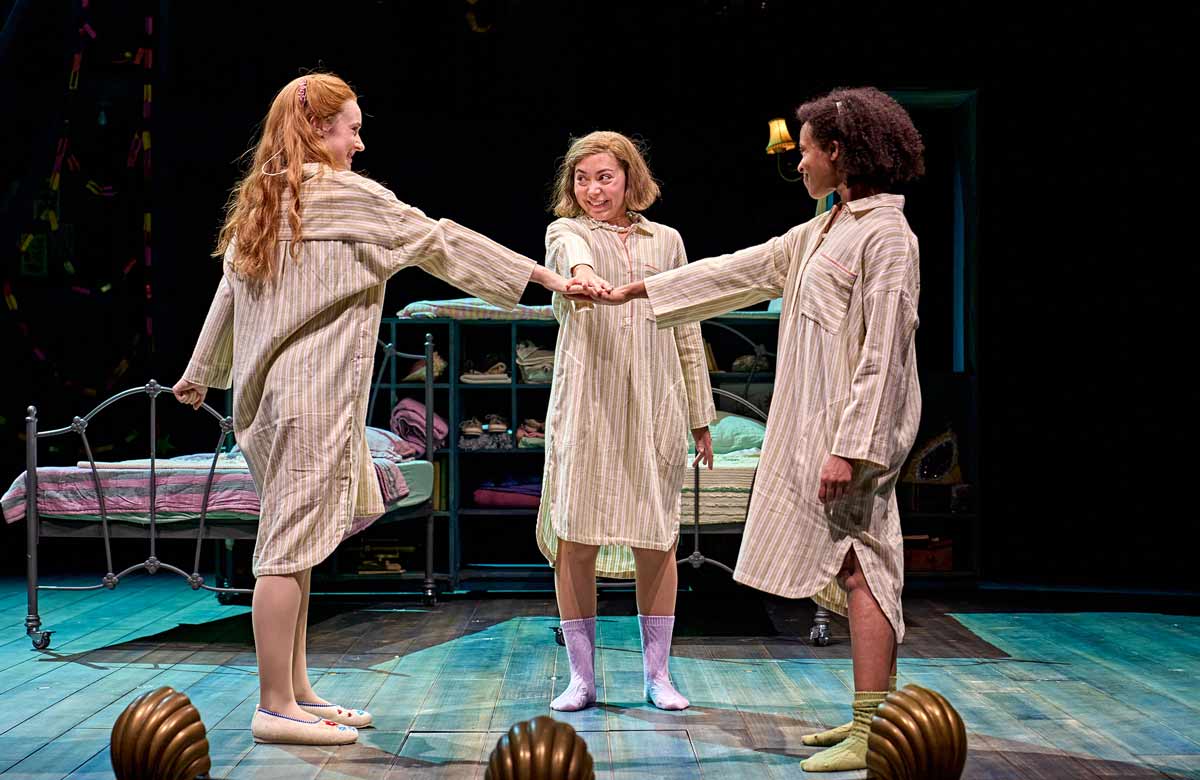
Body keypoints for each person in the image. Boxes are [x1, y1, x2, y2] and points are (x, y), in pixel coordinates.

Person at [171, 72, 579, 745]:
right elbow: (442, 241)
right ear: (318, 129)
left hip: (266, 402)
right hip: (311, 396)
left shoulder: (266, 200)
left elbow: (228, 293)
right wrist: (547, 280)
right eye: (352, 128)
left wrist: (198, 372)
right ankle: (274, 708)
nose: (359, 143)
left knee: (293, 548)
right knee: (283, 552)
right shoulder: (351, 197)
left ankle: (297, 692)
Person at [590, 88, 924, 772]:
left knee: (867, 569)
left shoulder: (887, 235)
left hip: (851, 436)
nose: (798, 164)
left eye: (805, 152)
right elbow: (744, 269)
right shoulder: (826, 229)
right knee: (852, 568)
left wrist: (851, 448)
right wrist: (644, 288)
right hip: (815, 427)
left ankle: (877, 731)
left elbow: (884, 353)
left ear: (839, 152)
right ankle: (864, 719)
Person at [536, 131, 716, 712]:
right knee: (576, 538)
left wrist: (699, 416)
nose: (593, 190)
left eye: (605, 177)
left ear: (629, 177)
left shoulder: (667, 242)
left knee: (657, 538)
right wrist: (584, 273)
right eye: (582, 179)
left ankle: (658, 675)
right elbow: (569, 256)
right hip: (587, 404)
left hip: (652, 404)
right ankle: (582, 679)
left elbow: (688, 329)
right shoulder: (565, 232)